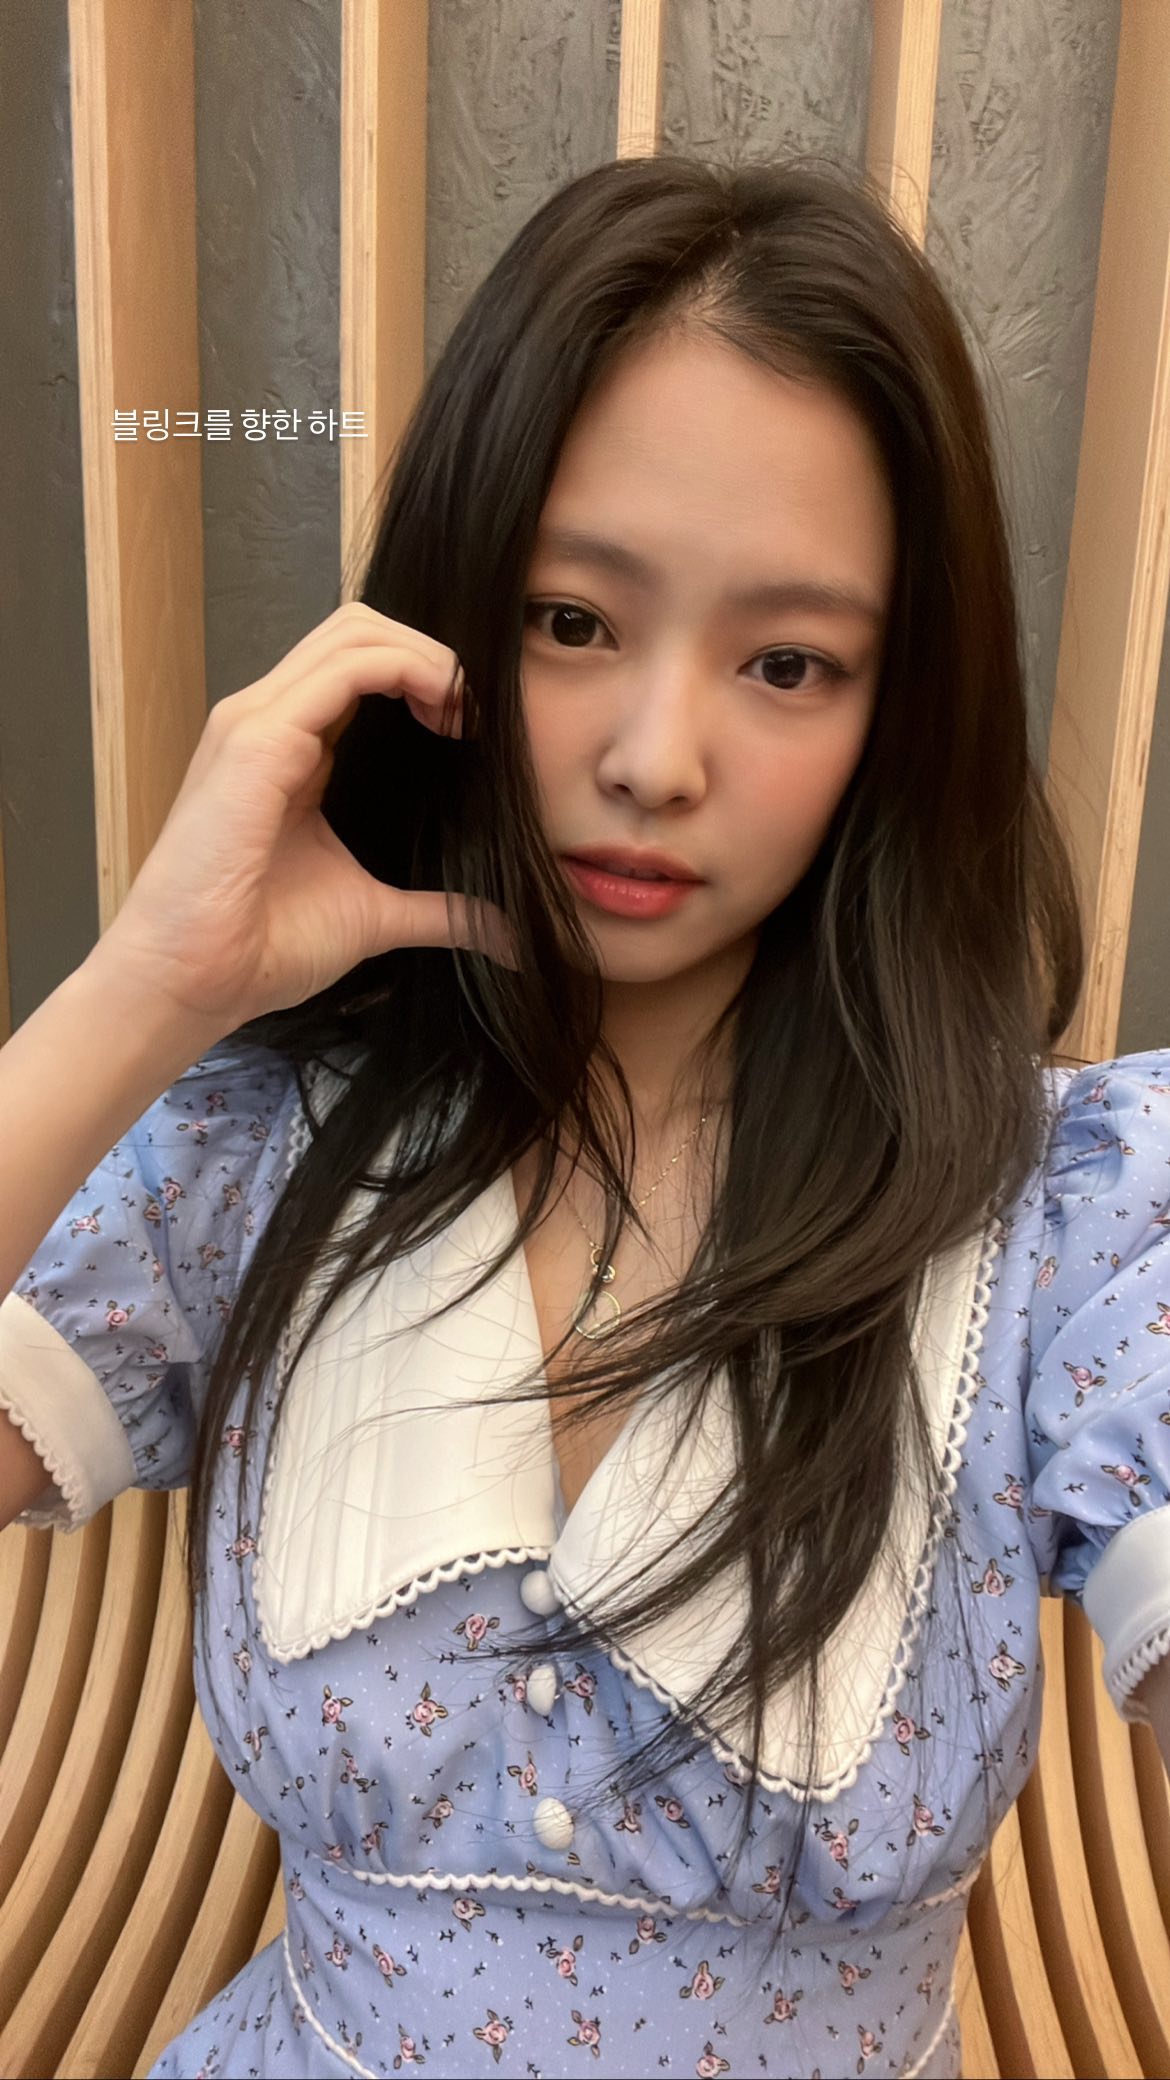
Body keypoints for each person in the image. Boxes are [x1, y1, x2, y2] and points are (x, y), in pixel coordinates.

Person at [1, 152, 1168, 2080]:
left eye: (787, 663)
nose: (653, 757)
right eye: (568, 621)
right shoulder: (257, 1151)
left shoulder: (1069, 1220)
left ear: (896, 712)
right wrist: (153, 980)